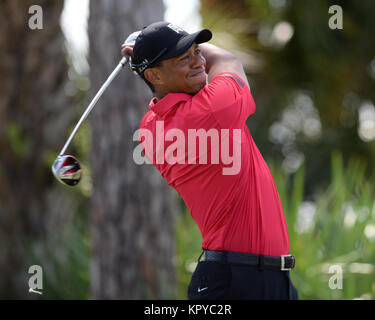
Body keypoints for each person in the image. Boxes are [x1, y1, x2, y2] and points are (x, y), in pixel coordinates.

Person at [121, 21, 299, 300]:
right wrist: (146, 43)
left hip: (256, 278)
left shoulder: (150, 128)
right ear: (155, 75)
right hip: (238, 281)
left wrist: (155, 47)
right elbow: (228, 59)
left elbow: (202, 67)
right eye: (184, 58)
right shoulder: (212, 109)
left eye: (196, 51)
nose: (198, 62)